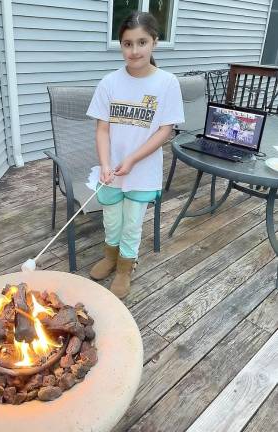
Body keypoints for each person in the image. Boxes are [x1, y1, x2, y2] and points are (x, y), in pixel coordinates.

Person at [86, 11, 184, 299]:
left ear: (154, 41)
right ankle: (111, 256)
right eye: (127, 44)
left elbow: (165, 130)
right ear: (121, 45)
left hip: (141, 170)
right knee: (112, 219)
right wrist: (105, 163)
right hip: (110, 170)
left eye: (142, 42)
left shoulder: (167, 83)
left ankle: (126, 267)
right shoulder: (109, 83)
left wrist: (132, 160)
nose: (135, 50)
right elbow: (102, 129)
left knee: (131, 223)